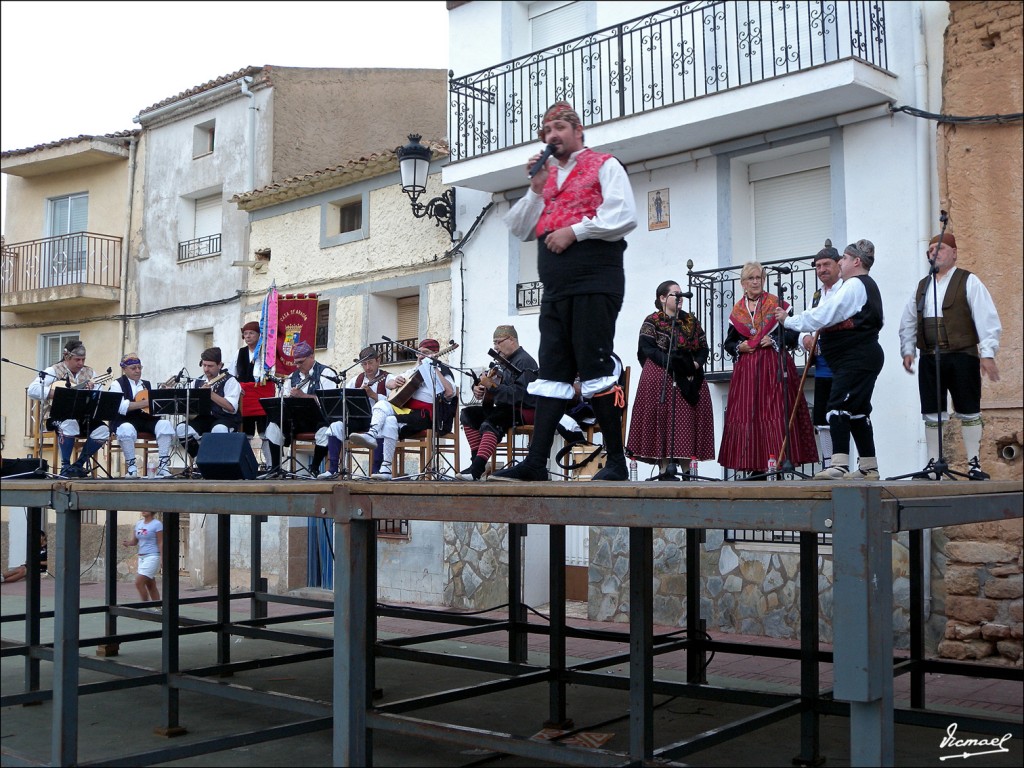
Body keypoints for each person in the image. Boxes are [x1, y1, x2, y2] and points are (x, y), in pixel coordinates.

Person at [492, 99, 638, 481]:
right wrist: (536, 189)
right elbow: (521, 228)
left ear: (577, 131)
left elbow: (624, 214)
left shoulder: (604, 165)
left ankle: (618, 464)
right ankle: (536, 463)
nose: (552, 136)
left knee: (594, 365)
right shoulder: (547, 179)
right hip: (556, 289)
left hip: (595, 280)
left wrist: (576, 231)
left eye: (559, 128)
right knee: (553, 371)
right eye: (547, 131)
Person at [775, 240, 884, 480]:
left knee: (837, 406)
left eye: (843, 258)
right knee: (857, 410)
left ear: (856, 261)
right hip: (861, 355)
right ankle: (869, 467)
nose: (840, 262)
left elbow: (826, 314)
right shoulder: (864, 285)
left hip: (854, 356)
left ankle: (839, 464)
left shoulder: (855, 284)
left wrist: (789, 321)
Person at [898, 232, 1001, 480]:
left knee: (969, 408)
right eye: (931, 250)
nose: (935, 253)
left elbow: (987, 319)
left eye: (941, 248)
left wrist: (987, 354)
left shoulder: (969, 281)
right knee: (932, 411)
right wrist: (908, 350)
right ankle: (934, 465)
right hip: (930, 358)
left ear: (954, 252)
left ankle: (973, 464)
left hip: (962, 355)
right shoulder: (922, 286)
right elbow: (909, 321)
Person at [718, 262, 817, 476]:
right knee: (749, 415)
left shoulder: (776, 304)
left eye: (759, 278)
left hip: (773, 366)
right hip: (747, 371)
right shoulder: (737, 310)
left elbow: (791, 333)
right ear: (743, 283)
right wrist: (739, 346)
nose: (756, 282)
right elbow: (728, 342)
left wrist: (772, 340)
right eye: (751, 278)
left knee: (775, 413)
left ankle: (777, 464)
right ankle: (755, 467)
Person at [626, 280, 715, 476]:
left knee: (686, 421)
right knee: (663, 419)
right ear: (663, 298)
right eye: (675, 294)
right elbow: (647, 348)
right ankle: (665, 467)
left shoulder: (691, 321)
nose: (680, 297)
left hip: (690, 376)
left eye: (681, 293)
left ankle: (687, 469)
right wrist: (670, 363)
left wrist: (696, 364)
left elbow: (703, 348)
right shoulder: (653, 320)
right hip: (661, 374)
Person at [347, 338, 456, 480]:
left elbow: (450, 393)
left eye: (425, 353)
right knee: (382, 404)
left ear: (435, 354)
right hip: (407, 412)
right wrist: (394, 383)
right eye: (419, 353)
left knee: (390, 421)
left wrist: (434, 367)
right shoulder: (413, 370)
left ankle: (385, 466)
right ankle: (373, 436)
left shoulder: (443, 371)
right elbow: (390, 383)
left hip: (427, 415)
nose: (421, 356)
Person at [456, 325, 538, 481]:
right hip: (505, 409)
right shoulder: (501, 363)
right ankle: (476, 464)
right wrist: (479, 389)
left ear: (512, 340)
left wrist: (491, 386)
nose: (495, 347)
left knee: (494, 420)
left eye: (498, 342)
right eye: (494, 343)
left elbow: (519, 395)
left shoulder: (525, 361)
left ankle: (477, 468)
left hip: (524, 410)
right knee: (468, 414)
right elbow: (494, 388)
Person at [26, 339, 111, 478]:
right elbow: (32, 389)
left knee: (104, 430)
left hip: (83, 417)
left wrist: (92, 390)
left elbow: (100, 394)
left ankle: (78, 465)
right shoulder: (53, 370)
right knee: (69, 424)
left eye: (83, 359)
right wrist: (59, 395)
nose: (81, 363)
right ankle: (65, 466)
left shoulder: (90, 373)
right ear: (67, 357)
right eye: (77, 359)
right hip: (56, 416)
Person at [265, 341, 342, 477]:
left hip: (319, 419)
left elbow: (329, 402)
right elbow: (284, 399)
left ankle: (314, 468)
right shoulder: (292, 377)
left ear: (312, 357)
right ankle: (276, 468)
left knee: (325, 430)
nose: (298, 366)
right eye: (296, 363)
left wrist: (303, 396)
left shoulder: (325, 373)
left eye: (301, 362)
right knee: (273, 426)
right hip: (297, 420)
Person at [802, 241, 843, 469]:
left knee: (843, 414)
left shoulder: (846, 290)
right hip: (822, 365)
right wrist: (804, 339)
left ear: (839, 265)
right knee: (822, 418)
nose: (822, 269)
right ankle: (828, 464)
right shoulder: (816, 297)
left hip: (842, 364)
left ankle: (843, 462)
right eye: (818, 266)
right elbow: (807, 323)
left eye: (826, 264)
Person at [328, 346, 399, 479]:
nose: (367, 367)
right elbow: (344, 398)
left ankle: (376, 470)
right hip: (360, 420)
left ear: (378, 361)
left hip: (379, 421)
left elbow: (393, 403)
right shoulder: (356, 380)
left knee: (384, 425)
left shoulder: (388, 378)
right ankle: (332, 470)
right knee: (335, 426)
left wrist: (373, 395)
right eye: (364, 364)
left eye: (370, 363)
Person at [110, 353, 176, 478]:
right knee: (126, 429)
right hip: (125, 420)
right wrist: (145, 402)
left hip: (146, 420)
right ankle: (132, 467)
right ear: (124, 369)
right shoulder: (117, 384)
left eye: (139, 367)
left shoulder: (146, 384)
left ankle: (163, 465)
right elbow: (121, 407)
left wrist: (162, 396)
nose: (138, 371)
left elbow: (153, 407)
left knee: (165, 424)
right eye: (133, 368)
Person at [176, 347, 242, 463]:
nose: (206, 369)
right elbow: (187, 404)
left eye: (210, 366)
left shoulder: (230, 381)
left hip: (224, 418)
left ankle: (218, 463)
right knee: (181, 429)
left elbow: (231, 408)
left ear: (220, 365)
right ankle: (199, 460)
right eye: (204, 365)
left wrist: (210, 394)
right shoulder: (197, 381)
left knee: (219, 429)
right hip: (203, 419)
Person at [231, 321, 275, 470]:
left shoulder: (266, 352)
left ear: (259, 335)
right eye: (245, 333)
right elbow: (233, 375)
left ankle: (270, 465)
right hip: (246, 398)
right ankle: (247, 465)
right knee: (246, 433)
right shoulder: (240, 353)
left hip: (263, 396)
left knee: (265, 433)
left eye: (251, 333)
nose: (248, 336)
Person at [123, 510, 162, 604]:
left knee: (139, 582)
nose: (143, 511)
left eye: (146, 509)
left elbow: (161, 542)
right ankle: (159, 608)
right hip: (141, 558)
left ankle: (144, 607)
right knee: (151, 584)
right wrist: (128, 543)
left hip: (152, 556)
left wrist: (162, 558)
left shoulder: (157, 524)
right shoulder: (139, 523)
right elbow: (135, 541)